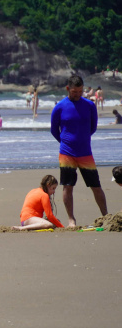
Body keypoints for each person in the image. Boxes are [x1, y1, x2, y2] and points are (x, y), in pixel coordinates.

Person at [51, 74, 108, 228]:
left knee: (95, 185)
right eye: (74, 92)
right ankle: (71, 220)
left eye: (80, 91)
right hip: (66, 153)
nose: (77, 94)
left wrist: (82, 140)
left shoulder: (89, 106)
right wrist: (65, 142)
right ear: (68, 89)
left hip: (85, 153)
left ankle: (106, 216)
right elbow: (54, 130)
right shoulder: (60, 107)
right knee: (68, 186)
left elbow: (93, 127)